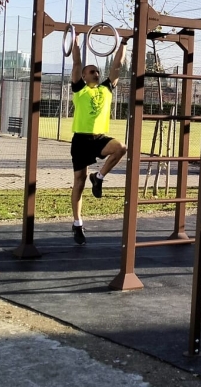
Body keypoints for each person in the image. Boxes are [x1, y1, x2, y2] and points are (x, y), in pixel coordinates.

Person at [68, 32, 130, 245]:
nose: (96, 73)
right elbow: (76, 62)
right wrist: (74, 41)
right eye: (91, 71)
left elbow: (117, 66)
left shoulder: (106, 89)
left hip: (99, 138)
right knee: (78, 182)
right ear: (84, 76)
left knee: (121, 147)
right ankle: (77, 224)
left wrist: (123, 41)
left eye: (97, 71)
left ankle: (100, 177)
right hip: (81, 141)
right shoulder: (80, 90)